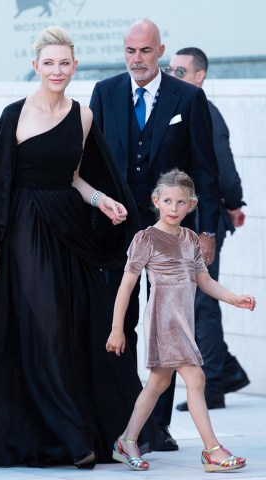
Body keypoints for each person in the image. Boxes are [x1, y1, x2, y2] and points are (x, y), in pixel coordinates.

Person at [0, 26, 161, 470]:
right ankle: (74, 437)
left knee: (81, 326)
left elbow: (74, 177)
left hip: (67, 229)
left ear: (74, 67)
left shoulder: (82, 116)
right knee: (47, 328)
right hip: (23, 230)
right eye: (48, 63)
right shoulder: (13, 114)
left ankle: (87, 429)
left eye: (64, 63)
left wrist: (103, 200)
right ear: (36, 66)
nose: (56, 71)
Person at [89, 18, 221, 451]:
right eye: (130, 51)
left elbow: (205, 167)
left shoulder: (189, 98)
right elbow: (91, 166)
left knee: (169, 325)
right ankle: (124, 420)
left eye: (145, 51)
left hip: (172, 235)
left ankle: (157, 428)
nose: (137, 60)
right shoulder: (105, 93)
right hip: (115, 231)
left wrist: (206, 230)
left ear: (160, 51)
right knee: (119, 322)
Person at [106, 168, 256, 473]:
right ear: (156, 201)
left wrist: (233, 298)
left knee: (158, 383)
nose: (174, 208)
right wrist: (117, 328)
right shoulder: (145, 239)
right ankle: (212, 451)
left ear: (192, 205)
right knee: (196, 378)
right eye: (168, 201)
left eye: (181, 202)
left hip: (182, 320)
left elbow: (204, 280)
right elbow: (126, 285)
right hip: (163, 321)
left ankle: (126, 440)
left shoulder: (190, 239)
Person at [165, 47, 249, 412]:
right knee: (196, 302)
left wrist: (233, 204)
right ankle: (226, 371)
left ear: (200, 76)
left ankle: (213, 384)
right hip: (186, 221)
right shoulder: (179, 108)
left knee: (202, 304)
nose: (174, 76)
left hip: (205, 223)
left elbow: (222, 169)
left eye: (181, 71)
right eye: (171, 71)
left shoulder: (205, 111)